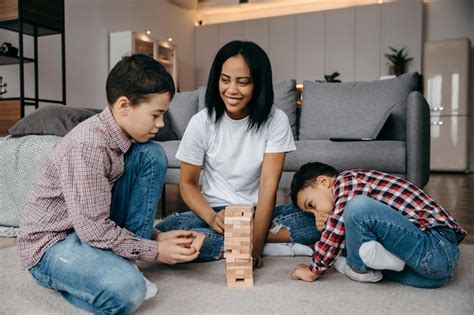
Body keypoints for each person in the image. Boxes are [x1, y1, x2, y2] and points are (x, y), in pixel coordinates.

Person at [17, 54, 200, 314]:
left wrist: (152, 235)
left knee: (151, 154)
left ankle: (121, 262)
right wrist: (156, 250)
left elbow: (103, 214)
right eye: (156, 114)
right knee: (128, 290)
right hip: (53, 243)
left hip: (88, 229)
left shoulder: (124, 139)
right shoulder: (89, 146)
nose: (160, 124)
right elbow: (93, 229)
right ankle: (88, 278)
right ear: (124, 105)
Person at [156, 40, 320, 267]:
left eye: (243, 82)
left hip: (258, 213)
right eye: (225, 80)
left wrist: (254, 247)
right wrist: (212, 218)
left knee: (320, 221)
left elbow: (268, 188)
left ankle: (234, 244)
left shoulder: (276, 120)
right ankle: (273, 243)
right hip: (215, 214)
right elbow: (188, 184)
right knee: (167, 229)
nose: (231, 90)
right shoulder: (201, 122)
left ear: (258, 84)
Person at [289, 162, 466, 288]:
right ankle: (367, 264)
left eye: (311, 205)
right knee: (351, 239)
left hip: (436, 244)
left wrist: (314, 269)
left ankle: (356, 269)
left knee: (357, 206)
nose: (315, 214)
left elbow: (339, 222)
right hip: (435, 272)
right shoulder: (342, 203)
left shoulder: (347, 180)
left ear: (324, 182)